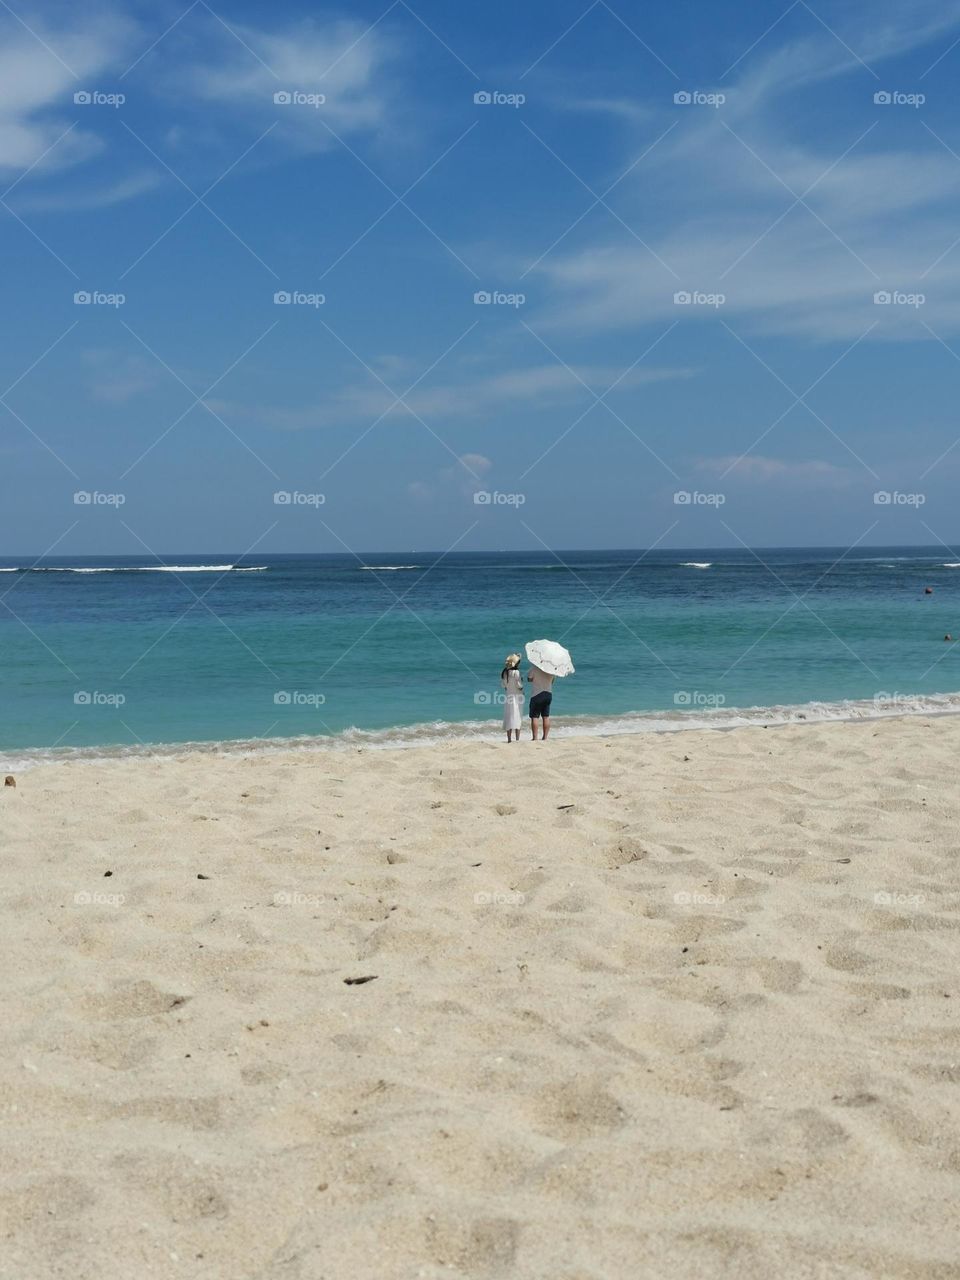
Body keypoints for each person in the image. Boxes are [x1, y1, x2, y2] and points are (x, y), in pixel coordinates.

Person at [527, 663, 555, 741]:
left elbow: (529, 679)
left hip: (537, 694)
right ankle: (545, 737)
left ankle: (535, 737)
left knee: (534, 717)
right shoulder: (551, 669)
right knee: (546, 716)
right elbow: (552, 681)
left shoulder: (535, 668)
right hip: (548, 694)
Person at [500, 653, 523, 742]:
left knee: (509, 716)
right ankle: (517, 739)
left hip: (508, 697)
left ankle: (509, 739)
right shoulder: (516, 672)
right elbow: (519, 686)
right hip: (517, 697)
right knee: (518, 716)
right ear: (516, 664)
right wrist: (522, 682)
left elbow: (503, 685)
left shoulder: (505, 672)